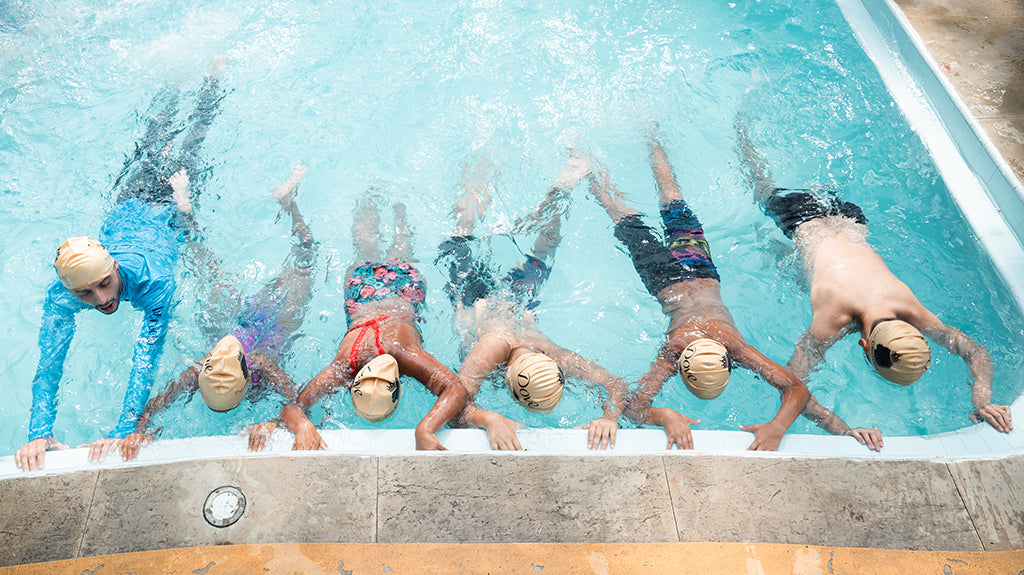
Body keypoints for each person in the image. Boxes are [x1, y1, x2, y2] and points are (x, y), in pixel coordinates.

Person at [734, 118, 1012, 450]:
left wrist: (983, 400)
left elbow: (975, 352)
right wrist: (843, 430)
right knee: (758, 182)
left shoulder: (906, 306)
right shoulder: (832, 321)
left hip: (850, 217)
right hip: (800, 217)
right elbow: (792, 383)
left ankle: (770, 236)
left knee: (800, 273)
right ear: (864, 346)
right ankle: (740, 132)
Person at [14, 59, 227, 472]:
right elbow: (48, 361)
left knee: (192, 140)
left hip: (169, 206)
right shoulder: (61, 296)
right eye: (85, 293)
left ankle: (211, 77)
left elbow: (146, 354)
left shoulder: (153, 283)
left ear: (113, 266)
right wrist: (39, 431)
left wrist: (125, 427)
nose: (102, 299)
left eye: (105, 283)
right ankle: (174, 78)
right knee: (153, 140)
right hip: (127, 201)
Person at [584, 129, 810, 451]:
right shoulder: (684, 349)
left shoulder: (722, 346)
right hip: (663, 279)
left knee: (672, 198)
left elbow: (796, 388)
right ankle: (592, 163)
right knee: (624, 214)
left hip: (699, 267)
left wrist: (777, 426)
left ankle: (650, 137)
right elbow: (636, 408)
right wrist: (664, 415)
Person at [115, 164, 316, 460]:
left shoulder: (212, 369)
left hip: (238, 323)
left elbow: (155, 407)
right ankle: (288, 203)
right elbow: (298, 403)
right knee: (304, 258)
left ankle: (186, 209)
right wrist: (276, 422)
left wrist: (139, 429)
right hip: (263, 327)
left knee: (208, 267)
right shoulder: (238, 367)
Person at [436, 157, 626, 451]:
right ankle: (476, 176)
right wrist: (487, 419)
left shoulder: (547, 352)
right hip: (474, 296)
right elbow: (451, 403)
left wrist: (610, 418)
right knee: (463, 232)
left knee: (545, 246)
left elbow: (615, 384)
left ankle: (558, 191)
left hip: (516, 300)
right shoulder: (491, 350)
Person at [279, 190, 469, 451]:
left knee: (402, 246)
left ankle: (394, 205)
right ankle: (381, 199)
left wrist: (425, 427)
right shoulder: (345, 366)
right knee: (365, 243)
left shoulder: (396, 355)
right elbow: (295, 407)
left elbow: (454, 388)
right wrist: (301, 424)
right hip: (361, 296)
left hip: (404, 293)